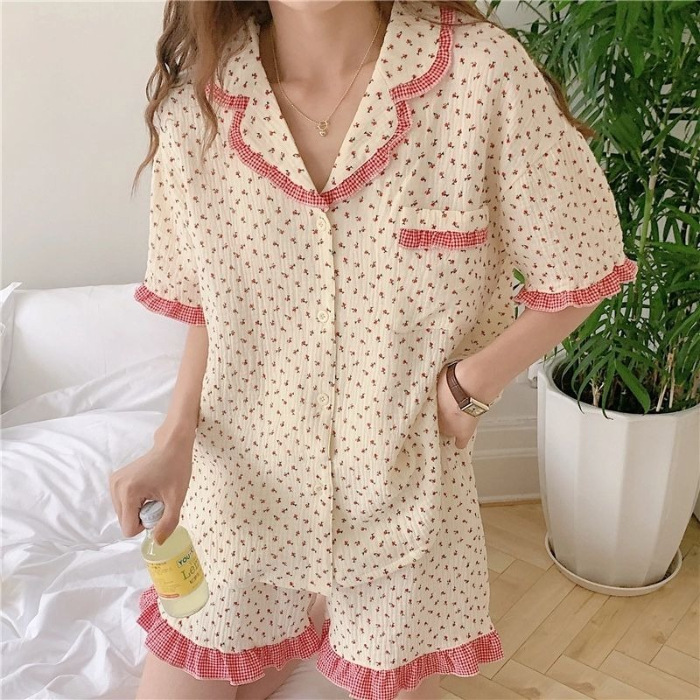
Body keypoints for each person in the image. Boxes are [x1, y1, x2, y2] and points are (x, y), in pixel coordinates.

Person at [109, 1, 638, 699]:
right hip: (241, 490)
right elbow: (214, 303)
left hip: (403, 499)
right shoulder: (198, 111)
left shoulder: (481, 77)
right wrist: (174, 438)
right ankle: (298, 623)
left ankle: (317, 620)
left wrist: (472, 386)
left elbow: (584, 267)